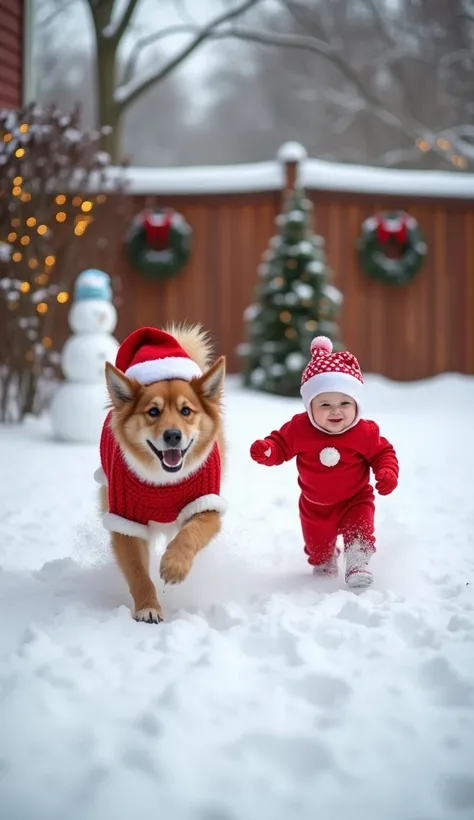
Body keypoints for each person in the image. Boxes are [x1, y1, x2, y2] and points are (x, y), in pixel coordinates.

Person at [249, 336, 399, 587]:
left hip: (355, 499)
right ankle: (325, 559)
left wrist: (387, 472)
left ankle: (357, 563)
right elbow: (281, 445)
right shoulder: (300, 427)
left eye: (344, 403)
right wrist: (268, 451)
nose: (335, 411)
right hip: (314, 505)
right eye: (325, 404)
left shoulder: (364, 432)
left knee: (360, 531)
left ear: (357, 405)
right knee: (318, 551)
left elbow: (383, 453)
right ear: (310, 406)